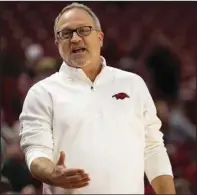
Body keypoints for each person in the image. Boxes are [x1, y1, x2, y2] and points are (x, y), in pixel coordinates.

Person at [19, 2, 176, 194]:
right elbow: (35, 150)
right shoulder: (41, 93)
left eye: (83, 30)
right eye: (66, 33)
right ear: (58, 43)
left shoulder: (133, 84)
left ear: (100, 37)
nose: (75, 38)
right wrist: (51, 173)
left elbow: (153, 149)